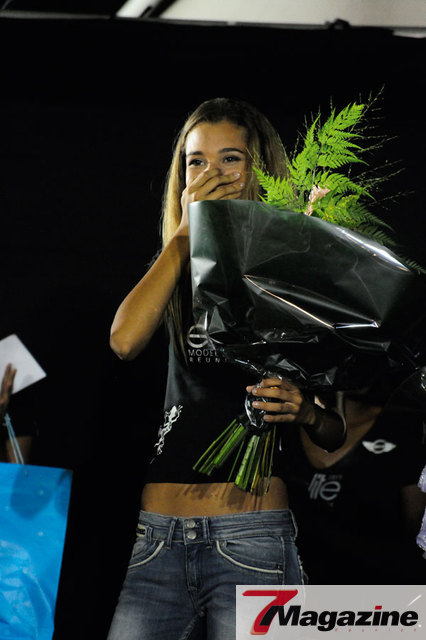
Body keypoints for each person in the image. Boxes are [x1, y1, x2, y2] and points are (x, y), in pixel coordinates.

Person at [107, 97, 346, 640]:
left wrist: (305, 411)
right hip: (158, 537)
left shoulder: (294, 270)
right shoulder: (178, 264)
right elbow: (123, 341)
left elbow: (331, 437)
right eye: (196, 162)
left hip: (251, 535)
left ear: (259, 169)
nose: (211, 174)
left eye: (230, 159)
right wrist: (185, 236)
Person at [282, 384, 426, 584]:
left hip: (375, 585)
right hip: (298, 584)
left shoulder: (400, 426)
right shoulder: (285, 427)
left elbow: (415, 523)